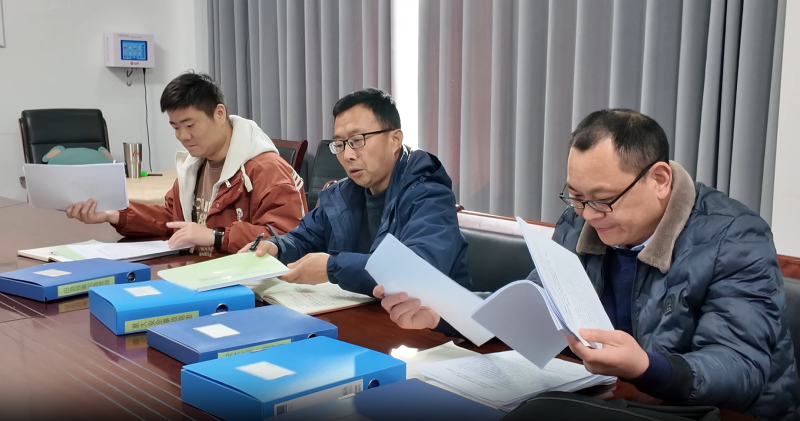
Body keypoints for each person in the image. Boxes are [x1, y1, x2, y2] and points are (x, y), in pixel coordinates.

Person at [376, 109, 799, 420]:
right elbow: (534, 308)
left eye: (602, 199)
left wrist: (646, 366)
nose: (588, 214)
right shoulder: (580, 220)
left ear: (659, 180)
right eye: (576, 197)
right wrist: (443, 314)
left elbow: (742, 368)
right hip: (612, 397)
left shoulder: (734, 237)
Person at [247, 88, 470, 315]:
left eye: (357, 140)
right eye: (340, 144)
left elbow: (418, 271)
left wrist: (332, 267)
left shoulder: (429, 195)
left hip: (434, 325)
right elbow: (305, 238)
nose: (348, 155)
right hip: (370, 317)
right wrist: (277, 248)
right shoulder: (342, 194)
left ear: (395, 139)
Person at [66, 72, 307, 254]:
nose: (182, 136)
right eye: (175, 127)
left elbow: (288, 239)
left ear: (219, 114)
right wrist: (114, 214)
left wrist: (216, 236)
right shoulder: (194, 165)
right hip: (198, 274)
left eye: (190, 125)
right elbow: (172, 219)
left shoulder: (266, 169)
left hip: (245, 288)